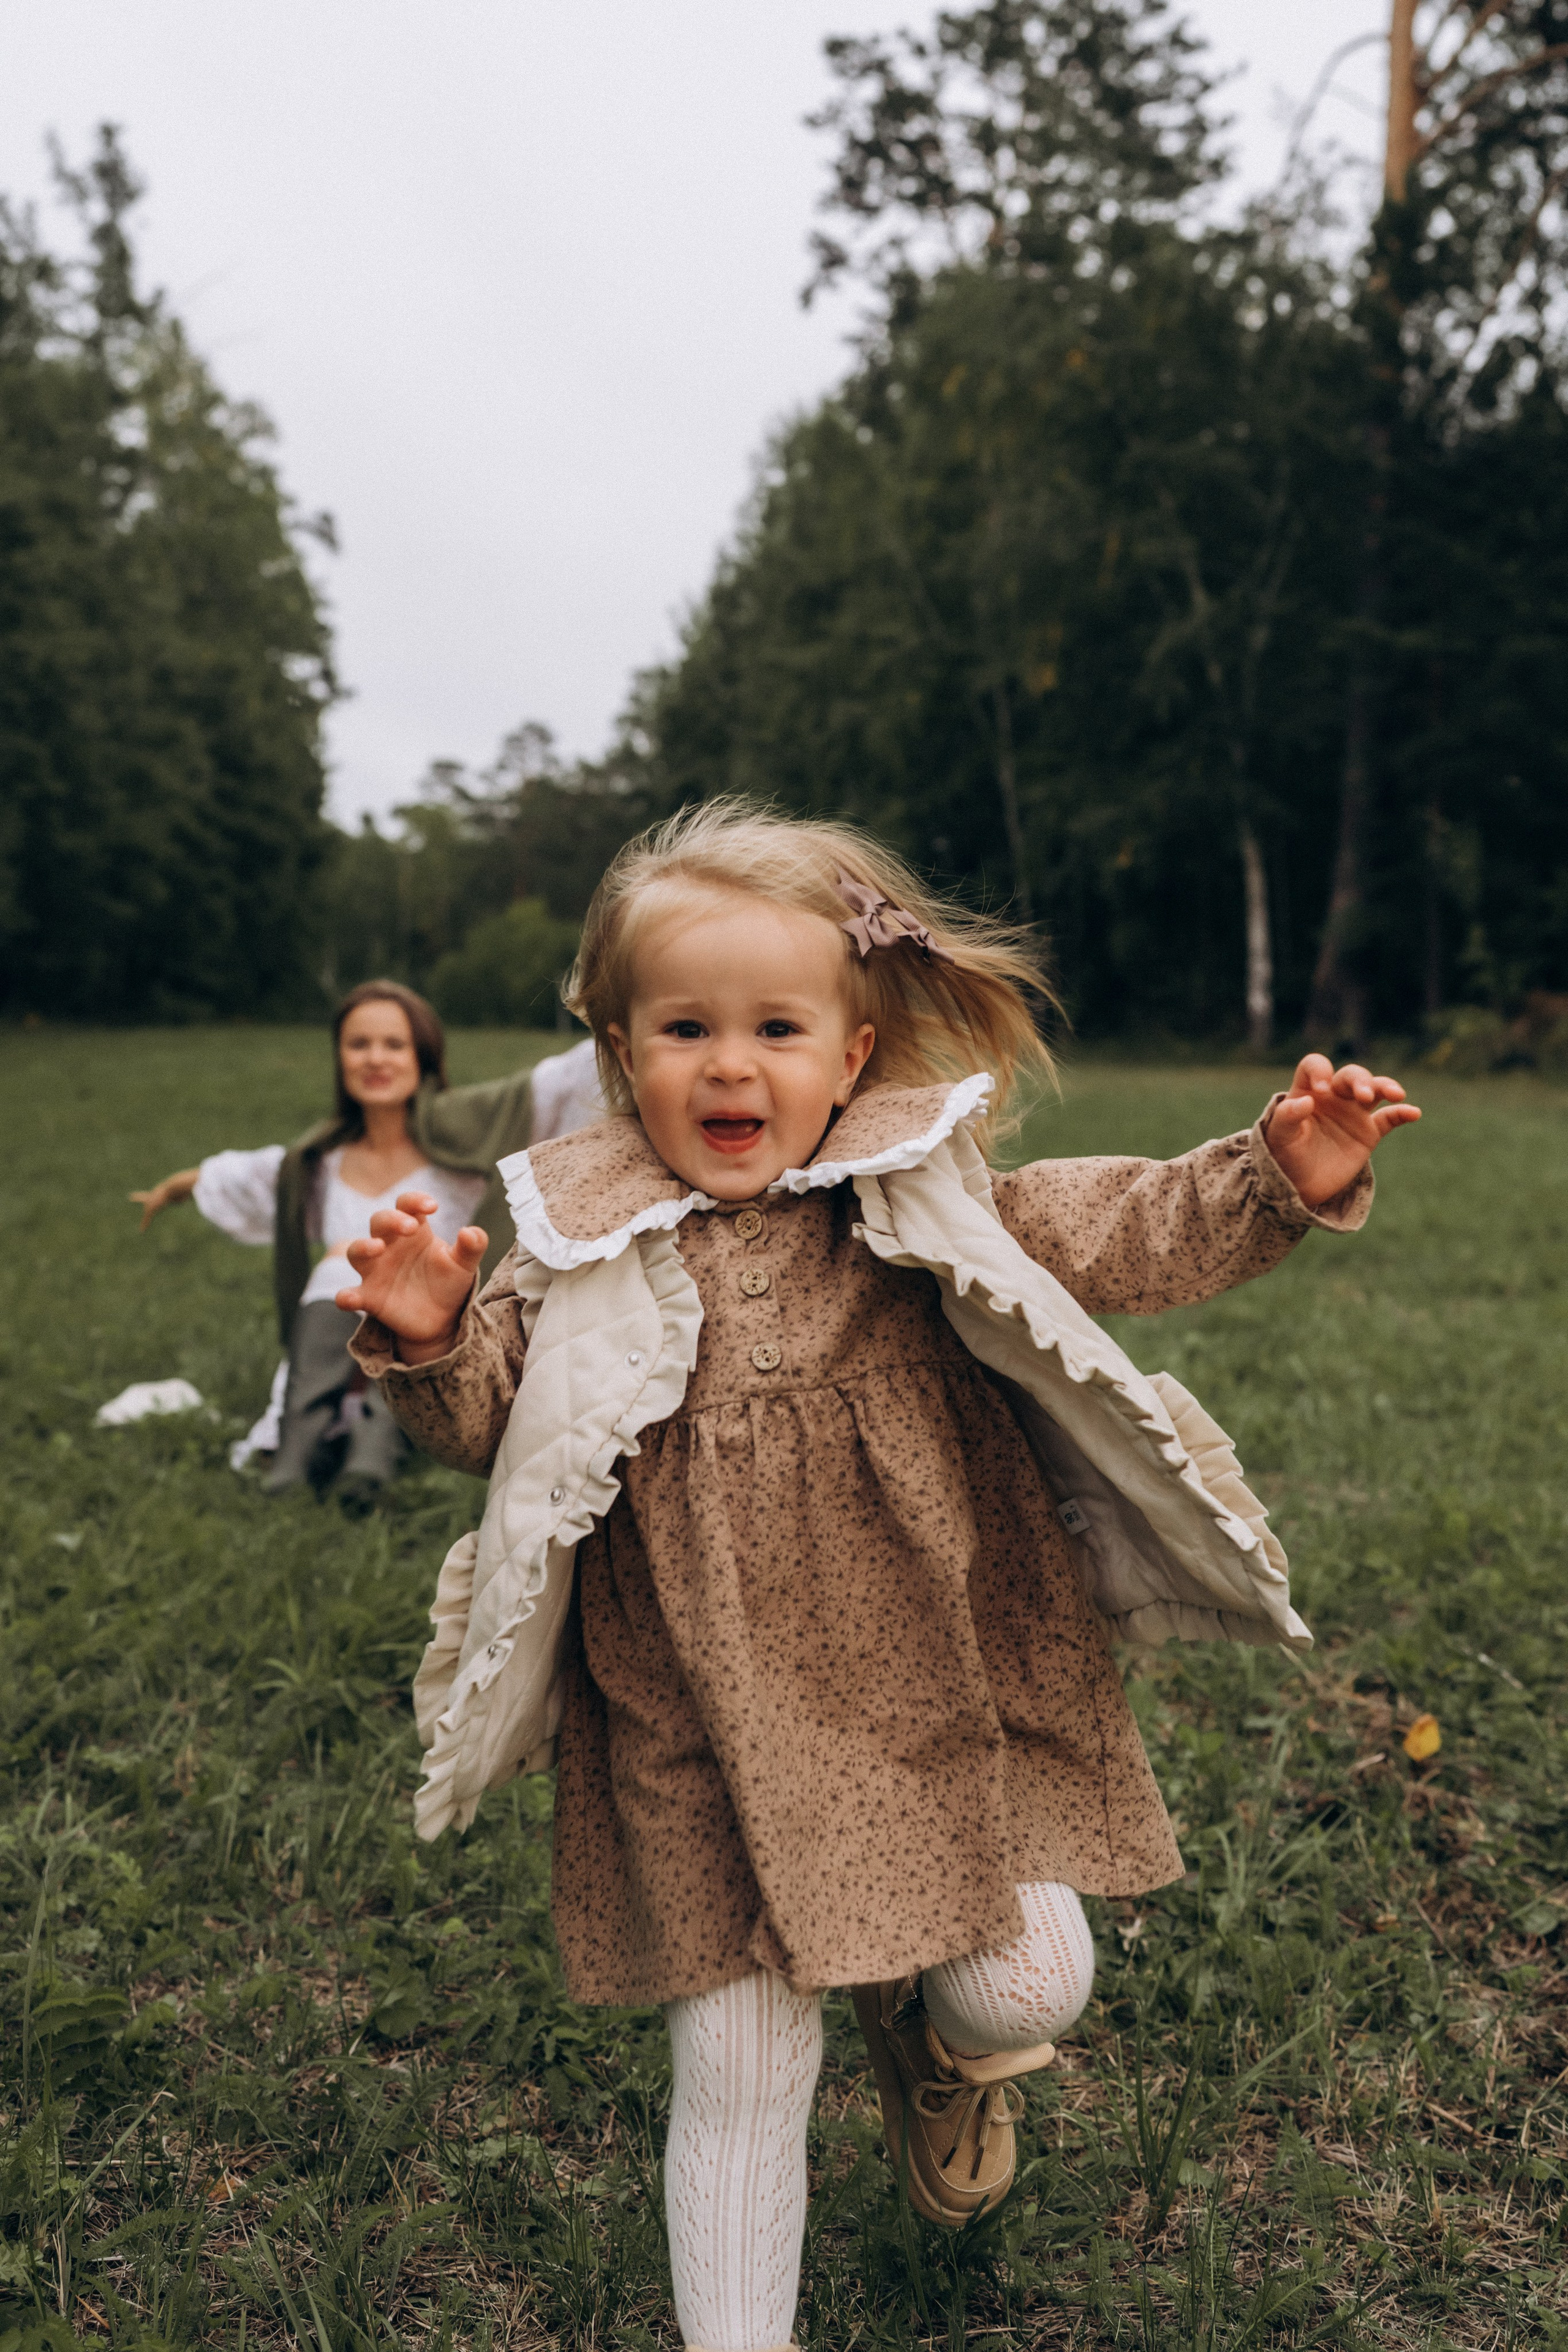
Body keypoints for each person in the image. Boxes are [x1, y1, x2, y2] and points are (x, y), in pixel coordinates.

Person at [336, 804, 1419, 2351]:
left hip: (936, 1676)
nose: (729, 1065)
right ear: (612, 1047)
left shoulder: (916, 1187)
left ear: (848, 1054)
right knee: (738, 2070)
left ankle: (922, 2030)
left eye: (775, 1027)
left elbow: (1108, 1229)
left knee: (1027, 1986)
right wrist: (434, 1336)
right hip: (695, 1714)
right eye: (684, 1027)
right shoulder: (576, 1238)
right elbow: (493, 1413)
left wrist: (1268, 1175)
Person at [132, 980, 601, 1508]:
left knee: (408, 1260)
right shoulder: (321, 1163)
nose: (376, 1059)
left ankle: (375, 1454)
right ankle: (300, 1451)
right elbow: (244, 1175)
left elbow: (565, 1081)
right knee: (347, 1258)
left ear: (422, 1057)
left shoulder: (464, 1149)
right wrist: (172, 1189)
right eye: (359, 1045)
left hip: (434, 1340)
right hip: (336, 1342)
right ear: (340, 1058)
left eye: (394, 1045)